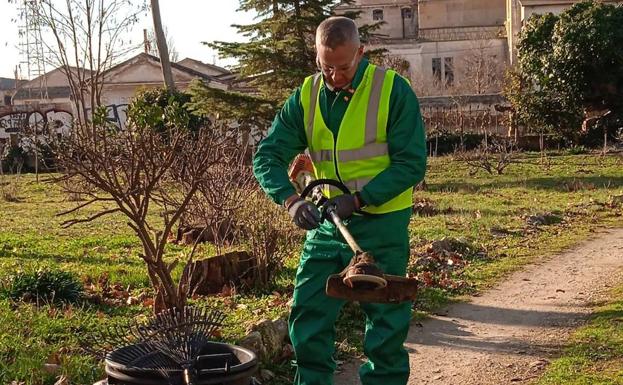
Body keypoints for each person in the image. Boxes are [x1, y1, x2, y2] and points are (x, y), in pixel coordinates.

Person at [253, 16, 426, 385]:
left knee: (385, 324)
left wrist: (361, 199)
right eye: (325, 66)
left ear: (360, 53)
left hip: (383, 223)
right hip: (328, 224)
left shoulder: (393, 91)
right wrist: (291, 201)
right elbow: (266, 155)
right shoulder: (305, 96)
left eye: (343, 67)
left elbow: (411, 163)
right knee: (308, 313)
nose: (333, 76)